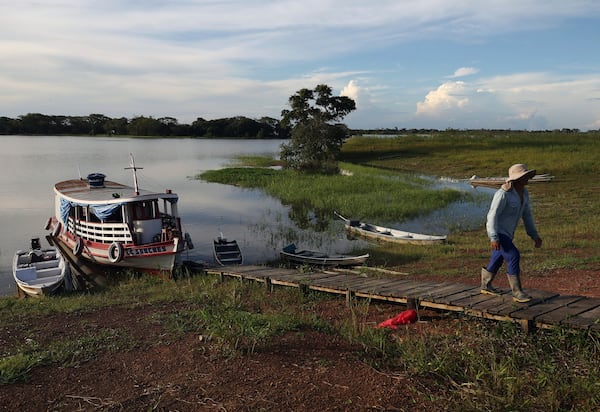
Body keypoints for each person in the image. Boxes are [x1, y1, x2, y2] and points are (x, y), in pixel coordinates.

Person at [480, 164, 543, 303]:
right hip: (499, 232)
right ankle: (517, 292)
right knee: (513, 255)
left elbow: (527, 216)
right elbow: (492, 216)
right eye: (525, 176)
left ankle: (486, 285)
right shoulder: (503, 194)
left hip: (508, 234)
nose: (527, 178)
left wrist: (534, 235)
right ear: (517, 178)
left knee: (497, 257)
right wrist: (493, 237)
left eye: (527, 175)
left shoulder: (524, 194)